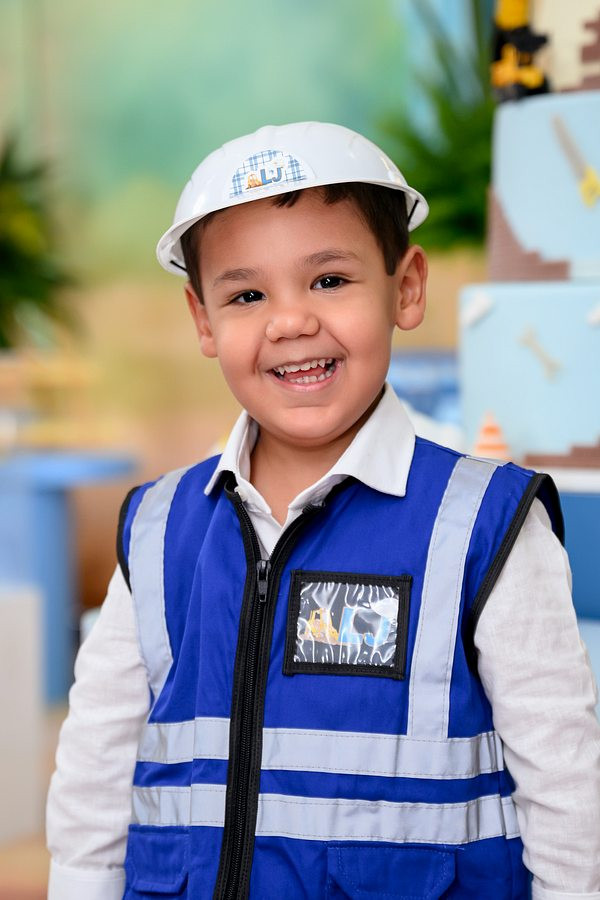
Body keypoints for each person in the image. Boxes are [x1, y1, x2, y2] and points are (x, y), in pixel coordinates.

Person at [47, 122, 600, 900]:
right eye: (246, 295)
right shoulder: (161, 529)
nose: (291, 322)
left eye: (330, 280)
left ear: (407, 287)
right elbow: (93, 777)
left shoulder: (482, 523)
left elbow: (567, 782)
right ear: (202, 319)